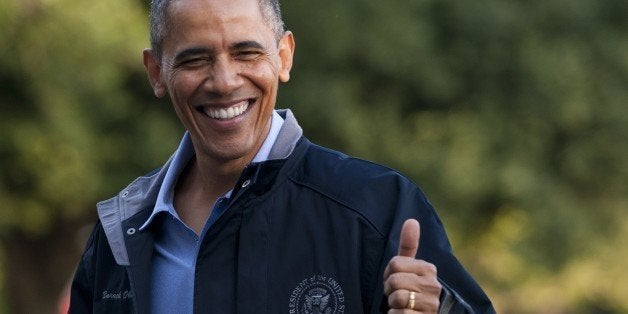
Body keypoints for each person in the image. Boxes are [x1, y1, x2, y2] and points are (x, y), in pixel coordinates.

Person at [69, 0, 495, 313]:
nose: (224, 81)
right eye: (195, 59)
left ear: (284, 56)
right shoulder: (121, 233)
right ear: (157, 72)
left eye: (246, 52)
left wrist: (443, 311)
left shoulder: (375, 207)